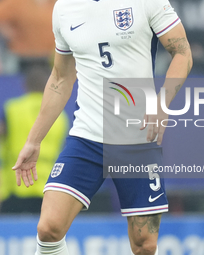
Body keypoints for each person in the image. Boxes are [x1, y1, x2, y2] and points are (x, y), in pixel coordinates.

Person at [12, 0, 193, 254]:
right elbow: (61, 77)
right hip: (87, 137)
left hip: (137, 140)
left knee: (144, 245)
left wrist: (162, 102)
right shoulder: (64, 8)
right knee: (48, 228)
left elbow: (183, 53)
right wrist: (34, 140)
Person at [0, 61, 68, 214]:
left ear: (24, 85)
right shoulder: (60, 114)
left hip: (16, 186)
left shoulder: (12, 108)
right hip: (47, 187)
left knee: (8, 234)